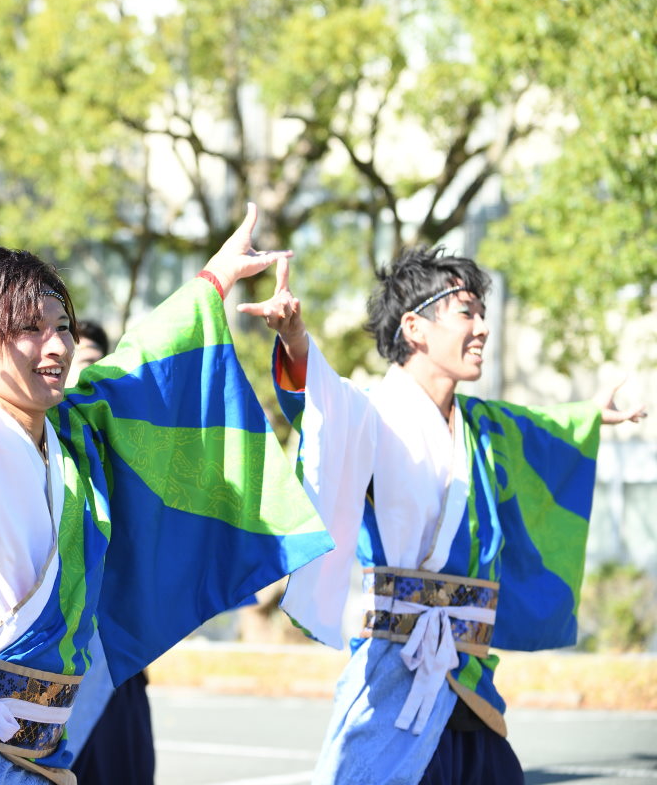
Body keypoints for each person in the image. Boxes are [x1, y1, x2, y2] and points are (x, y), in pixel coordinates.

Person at [0, 201, 336, 785]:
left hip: (38, 756)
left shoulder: (75, 434)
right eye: (29, 330)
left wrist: (213, 281)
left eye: (62, 327)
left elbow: (145, 364)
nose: (56, 346)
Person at [241, 247, 648, 784]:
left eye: (483, 314)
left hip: (467, 675)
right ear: (415, 327)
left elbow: (539, 426)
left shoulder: (482, 425)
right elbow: (320, 404)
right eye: (466, 312)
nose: (482, 328)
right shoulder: (373, 413)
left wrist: (593, 415)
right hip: (394, 669)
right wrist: (294, 340)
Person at [62, 319, 155, 785]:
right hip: (44, 674)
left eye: (94, 366)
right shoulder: (22, 445)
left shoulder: (126, 455)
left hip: (115, 668)